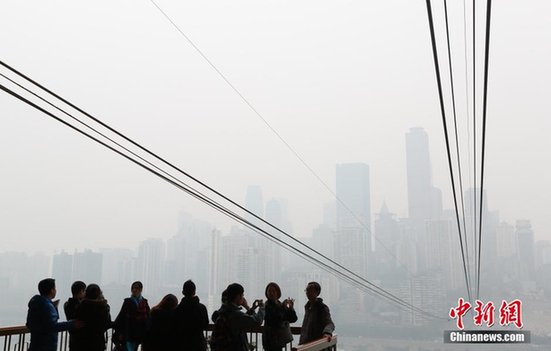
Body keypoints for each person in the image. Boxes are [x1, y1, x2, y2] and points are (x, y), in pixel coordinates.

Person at [26, 278, 78, 351]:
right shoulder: (47, 305)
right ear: (52, 290)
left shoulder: (36, 303)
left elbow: (29, 324)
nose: (55, 290)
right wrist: (72, 324)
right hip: (47, 346)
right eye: (55, 288)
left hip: (35, 344)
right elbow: (52, 326)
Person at [211, 283, 265, 351]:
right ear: (238, 296)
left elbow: (242, 319)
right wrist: (262, 308)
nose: (243, 297)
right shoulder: (234, 314)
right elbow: (256, 321)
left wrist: (250, 309)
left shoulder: (224, 311)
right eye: (242, 295)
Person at [72, 284, 112, 351]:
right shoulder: (104, 307)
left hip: (82, 342)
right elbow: (107, 324)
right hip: (98, 343)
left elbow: (76, 322)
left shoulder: (81, 307)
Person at [114, 281, 150, 351]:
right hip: (128, 332)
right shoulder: (127, 301)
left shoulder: (144, 302)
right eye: (133, 288)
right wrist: (120, 332)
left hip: (138, 333)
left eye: (136, 288)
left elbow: (148, 318)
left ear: (141, 290)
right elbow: (121, 317)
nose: (134, 290)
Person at [173, 280, 209, 351]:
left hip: (182, 344)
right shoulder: (202, 308)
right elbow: (205, 325)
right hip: (198, 344)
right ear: (194, 292)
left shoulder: (177, 309)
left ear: (183, 292)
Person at [262, 282, 298, 351]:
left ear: (278, 292)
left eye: (273, 291)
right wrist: (282, 307)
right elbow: (273, 320)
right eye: (269, 291)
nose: (271, 293)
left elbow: (293, 319)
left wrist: (291, 308)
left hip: (279, 340)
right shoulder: (266, 306)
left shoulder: (279, 304)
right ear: (266, 293)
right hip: (270, 340)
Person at [64, 281, 86, 350]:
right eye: (84, 291)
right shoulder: (81, 306)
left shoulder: (67, 304)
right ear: (81, 291)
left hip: (73, 339)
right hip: (82, 340)